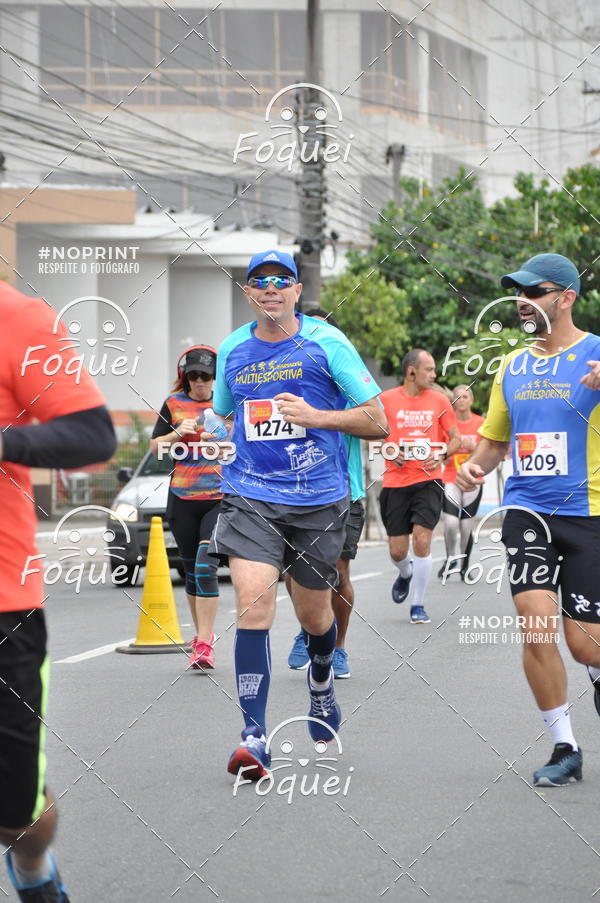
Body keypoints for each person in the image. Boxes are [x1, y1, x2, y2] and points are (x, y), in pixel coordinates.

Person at [204, 250, 388, 779]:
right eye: (259, 281)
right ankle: (253, 736)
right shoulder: (232, 348)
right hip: (250, 495)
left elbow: (378, 421)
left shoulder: (327, 343)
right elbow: (224, 415)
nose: (271, 288)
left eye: (281, 280)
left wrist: (316, 416)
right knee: (253, 603)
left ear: (297, 291)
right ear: (248, 293)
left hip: (318, 500)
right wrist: (207, 434)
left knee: (314, 617)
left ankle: (322, 679)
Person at [456, 252, 600, 787]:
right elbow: (495, 443)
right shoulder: (513, 366)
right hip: (527, 511)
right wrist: (474, 467)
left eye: (534, 292)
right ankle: (565, 746)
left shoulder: (596, 353)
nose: (522, 301)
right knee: (535, 623)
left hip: (589, 512)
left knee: (585, 644)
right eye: (517, 293)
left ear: (566, 297)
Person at [0, 282, 117, 901]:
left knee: (17, 817)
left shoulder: (17, 318)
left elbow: (94, 435)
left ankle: (33, 869)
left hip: (4, 603)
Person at [286, 308, 366, 680]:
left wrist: (319, 415)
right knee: (294, 572)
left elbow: (375, 421)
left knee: (339, 572)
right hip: (293, 494)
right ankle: (309, 628)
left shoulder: (349, 383)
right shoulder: (286, 382)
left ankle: (339, 646)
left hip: (344, 492)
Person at [150, 346, 222, 670]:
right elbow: (155, 447)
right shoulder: (173, 403)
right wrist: (177, 434)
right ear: (185, 377)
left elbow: (243, 444)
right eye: (193, 376)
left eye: (205, 375)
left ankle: (205, 643)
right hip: (182, 500)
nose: (199, 381)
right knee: (192, 572)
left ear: (214, 376)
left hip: (218, 498)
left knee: (206, 567)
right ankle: (201, 637)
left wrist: (220, 440)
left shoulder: (226, 404)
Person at [378, 350, 460, 623]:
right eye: (429, 369)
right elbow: (372, 433)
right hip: (395, 482)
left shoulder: (439, 400)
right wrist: (387, 448)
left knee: (422, 541)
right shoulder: (386, 400)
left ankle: (418, 604)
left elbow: (456, 438)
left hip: (428, 480)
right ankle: (405, 572)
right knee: (397, 551)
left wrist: (442, 453)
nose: (434, 375)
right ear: (411, 371)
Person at [438, 385, 484, 581]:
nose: (461, 400)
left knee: (466, 526)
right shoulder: (448, 424)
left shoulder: (481, 423)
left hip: (473, 480)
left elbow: (488, 451)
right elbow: (441, 451)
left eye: (465, 397)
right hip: (451, 478)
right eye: (457, 397)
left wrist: (475, 448)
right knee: (450, 523)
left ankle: (465, 565)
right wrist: (446, 455)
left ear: (471, 400)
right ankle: (450, 558)